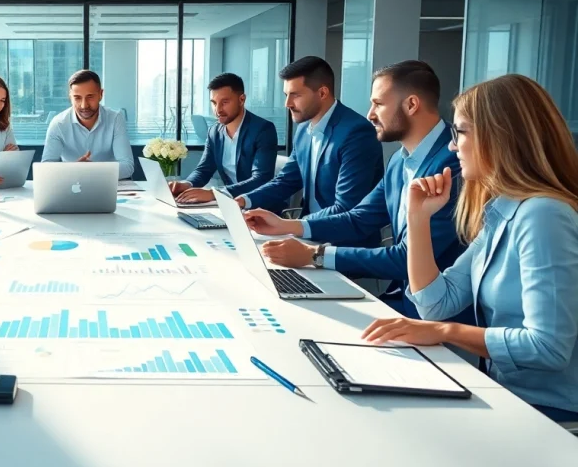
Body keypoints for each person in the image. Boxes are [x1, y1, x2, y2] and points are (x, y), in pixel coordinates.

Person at [363, 74, 578, 423]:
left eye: (460, 132)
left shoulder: (543, 215)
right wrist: (418, 219)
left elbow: (548, 348)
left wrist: (445, 332)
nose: (451, 146)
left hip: (550, 416)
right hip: (509, 397)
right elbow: (435, 304)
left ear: (500, 138)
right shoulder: (504, 210)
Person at [244, 61, 467, 318]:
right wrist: (288, 225)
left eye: (379, 104)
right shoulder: (399, 160)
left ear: (412, 105)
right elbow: (360, 218)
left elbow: (406, 258)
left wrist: (315, 255)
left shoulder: (453, 165)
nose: (370, 113)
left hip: (437, 317)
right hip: (403, 301)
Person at [236, 56, 384, 247]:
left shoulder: (356, 133)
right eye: (286, 94)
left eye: (295, 95)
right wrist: (243, 201)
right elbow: (286, 182)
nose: (287, 103)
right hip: (306, 233)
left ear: (322, 93)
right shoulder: (304, 130)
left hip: (343, 242)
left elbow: (346, 207)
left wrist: (290, 226)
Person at [168, 73, 278, 204]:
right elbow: (204, 170)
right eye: (214, 103)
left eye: (224, 102)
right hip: (230, 206)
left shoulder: (263, 130)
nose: (217, 109)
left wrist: (215, 194)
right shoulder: (214, 132)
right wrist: (186, 184)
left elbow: (260, 179)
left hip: (258, 207)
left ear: (242, 100)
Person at [41, 69, 134, 180]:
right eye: (77, 98)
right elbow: (46, 168)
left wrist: (91, 171)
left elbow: (127, 166)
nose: (84, 105)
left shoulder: (115, 119)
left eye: (90, 97)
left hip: (108, 185)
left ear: (101, 94)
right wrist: (75, 170)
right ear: (70, 97)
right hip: (72, 185)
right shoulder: (58, 124)